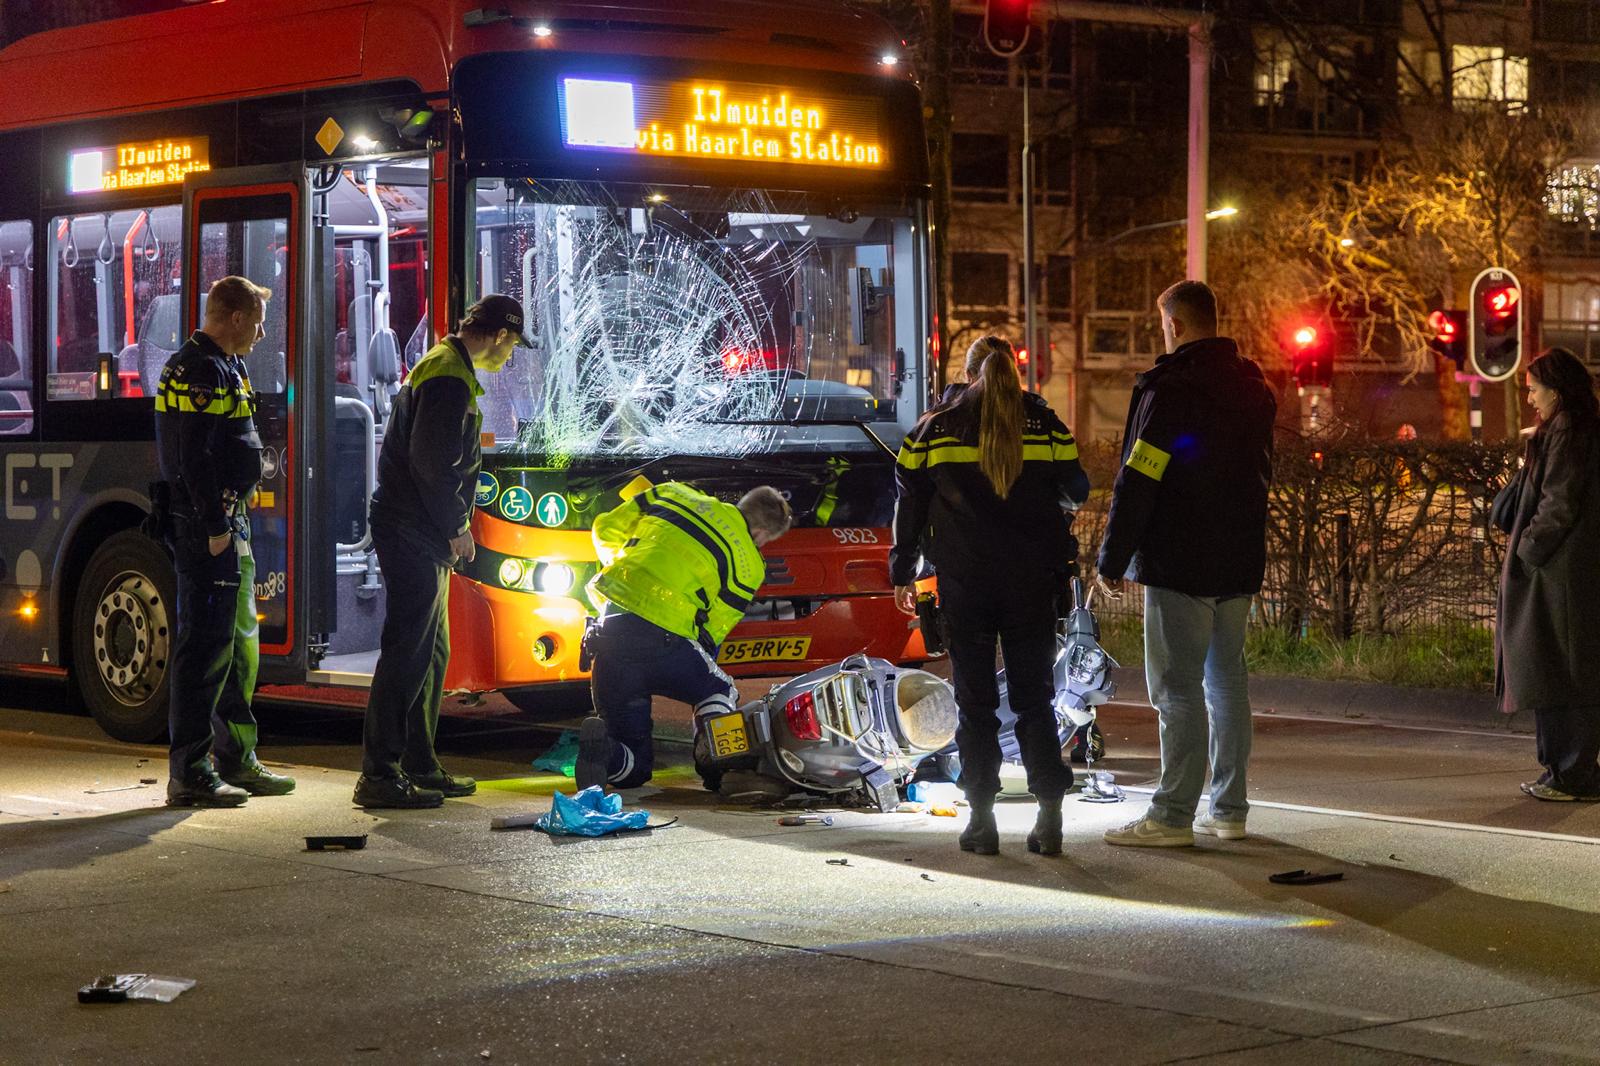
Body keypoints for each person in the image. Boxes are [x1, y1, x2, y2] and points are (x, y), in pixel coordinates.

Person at [890, 335, 1089, 856]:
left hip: (966, 585)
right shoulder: (1045, 424)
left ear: (968, 373)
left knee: (974, 705)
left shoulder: (935, 428)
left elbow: (909, 502)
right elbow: (1077, 490)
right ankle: (1049, 817)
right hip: (1032, 584)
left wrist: (903, 571)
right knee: (1035, 701)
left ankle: (981, 821)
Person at [1097, 280, 1276, 847]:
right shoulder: (1254, 386)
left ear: (1174, 324)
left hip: (1180, 559)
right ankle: (1229, 810)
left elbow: (1141, 475)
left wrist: (1113, 556)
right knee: (1227, 685)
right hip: (1237, 560)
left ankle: (1171, 815)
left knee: (1176, 689)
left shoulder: (1170, 389)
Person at [354, 295, 521, 809]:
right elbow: (431, 463)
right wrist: (456, 527)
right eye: (513, 344)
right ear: (498, 335)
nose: (511, 355)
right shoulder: (448, 376)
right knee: (409, 651)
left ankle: (418, 762)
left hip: (418, 529)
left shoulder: (449, 367)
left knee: (432, 653)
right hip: (414, 529)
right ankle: (380, 773)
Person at [156, 275, 294, 807]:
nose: (260, 334)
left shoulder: (224, 364)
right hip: (207, 528)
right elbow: (192, 458)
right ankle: (190, 773)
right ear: (235, 317)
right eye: (257, 323)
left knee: (238, 646)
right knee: (205, 650)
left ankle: (237, 759)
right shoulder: (199, 369)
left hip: (229, 523)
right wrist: (214, 526)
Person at [575, 483, 792, 792]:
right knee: (719, 689)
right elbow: (712, 633)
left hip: (608, 638)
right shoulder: (749, 565)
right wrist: (689, 668)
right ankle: (716, 760)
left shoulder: (672, 493)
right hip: (665, 641)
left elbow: (605, 527)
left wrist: (628, 570)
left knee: (634, 767)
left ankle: (605, 753)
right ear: (760, 534)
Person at [1492, 347, 1600, 802]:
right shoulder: (1567, 428)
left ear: (1556, 390)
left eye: (1534, 389)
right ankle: (1565, 770)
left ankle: (1571, 774)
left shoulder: (1568, 430)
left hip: (1559, 572)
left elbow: (1559, 501)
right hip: (1561, 569)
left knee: (1559, 668)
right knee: (1558, 667)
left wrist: (1528, 552)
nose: (1530, 397)